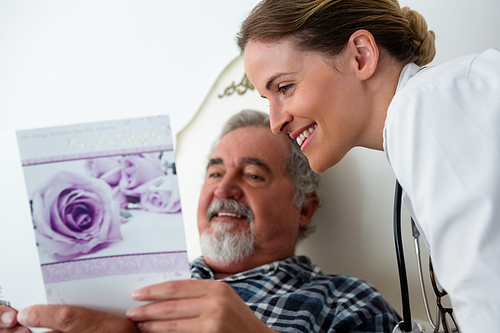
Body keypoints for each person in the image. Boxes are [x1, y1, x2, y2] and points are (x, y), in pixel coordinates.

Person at [0, 110, 400, 333]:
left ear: (305, 208)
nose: (224, 188)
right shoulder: (134, 285)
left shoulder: (348, 303)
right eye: (214, 172)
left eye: (253, 174)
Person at [237, 1, 500, 332]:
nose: (275, 123)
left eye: (284, 87)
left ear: (361, 55)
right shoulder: (432, 107)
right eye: (267, 99)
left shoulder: (426, 107)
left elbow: (490, 304)